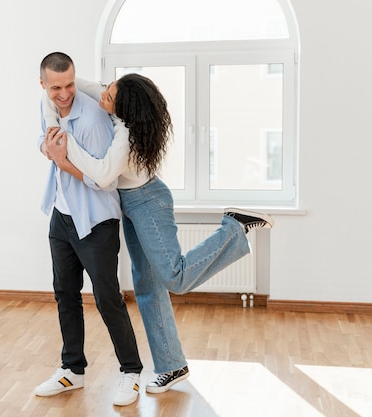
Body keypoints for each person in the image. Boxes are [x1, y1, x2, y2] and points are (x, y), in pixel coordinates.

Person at [42, 73, 274, 394]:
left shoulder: (125, 135)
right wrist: (52, 100)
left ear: (124, 111)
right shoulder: (114, 97)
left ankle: (234, 228)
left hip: (147, 202)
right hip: (130, 205)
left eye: (109, 98)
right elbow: (71, 85)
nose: (102, 98)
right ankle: (171, 366)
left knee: (174, 277)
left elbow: (101, 173)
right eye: (107, 90)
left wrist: (62, 148)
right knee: (146, 286)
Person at [34, 52, 143, 407]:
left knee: (108, 298)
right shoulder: (47, 105)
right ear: (43, 85)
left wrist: (63, 161)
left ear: (75, 79)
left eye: (69, 85)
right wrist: (47, 150)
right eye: (55, 88)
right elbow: (43, 143)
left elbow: (102, 181)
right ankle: (72, 370)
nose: (64, 94)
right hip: (62, 216)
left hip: (96, 220)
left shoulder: (95, 119)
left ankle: (131, 372)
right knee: (65, 293)